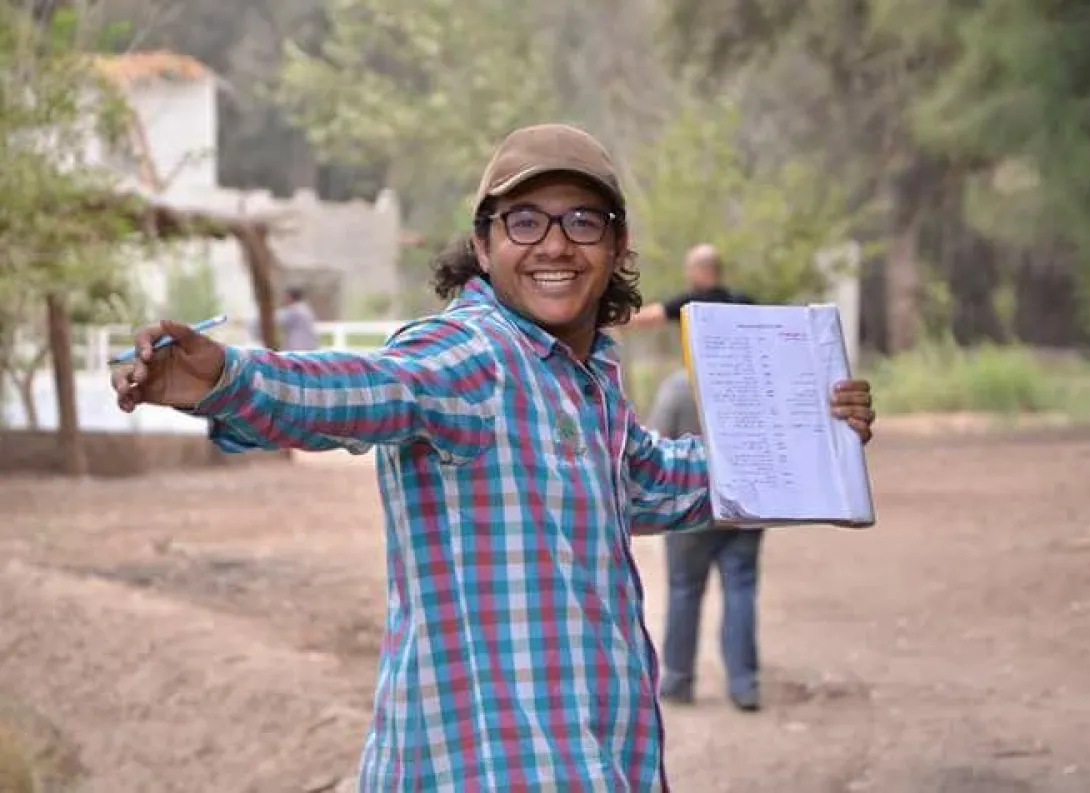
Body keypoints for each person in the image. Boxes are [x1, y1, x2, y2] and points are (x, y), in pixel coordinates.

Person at [110, 123, 876, 791]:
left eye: (582, 220)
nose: (555, 244)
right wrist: (229, 380)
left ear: (616, 245)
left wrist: (817, 435)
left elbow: (654, 479)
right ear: (483, 245)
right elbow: (363, 388)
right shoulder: (470, 356)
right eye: (524, 220)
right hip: (488, 765)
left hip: (599, 756)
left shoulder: (591, 380)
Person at [648, 367, 765, 712]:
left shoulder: (678, 386)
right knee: (740, 589)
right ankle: (744, 684)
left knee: (684, 590)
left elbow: (655, 443)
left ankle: (678, 680)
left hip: (688, 509)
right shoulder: (751, 384)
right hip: (746, 506)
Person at [626, 243, 754, 327]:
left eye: (690, 269)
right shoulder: (744, 302)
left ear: (704, 270)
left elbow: (650, 316)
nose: (687, 274)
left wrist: (619, 318)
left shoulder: (692, 304)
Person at [247, 285, 319, 350]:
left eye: (286, 296)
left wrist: (250, 321)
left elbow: (274, 319)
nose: (284, 299)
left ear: (290, 297)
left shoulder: (295, 310)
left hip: (299, 346)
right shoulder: (303, 308)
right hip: (306, 345)